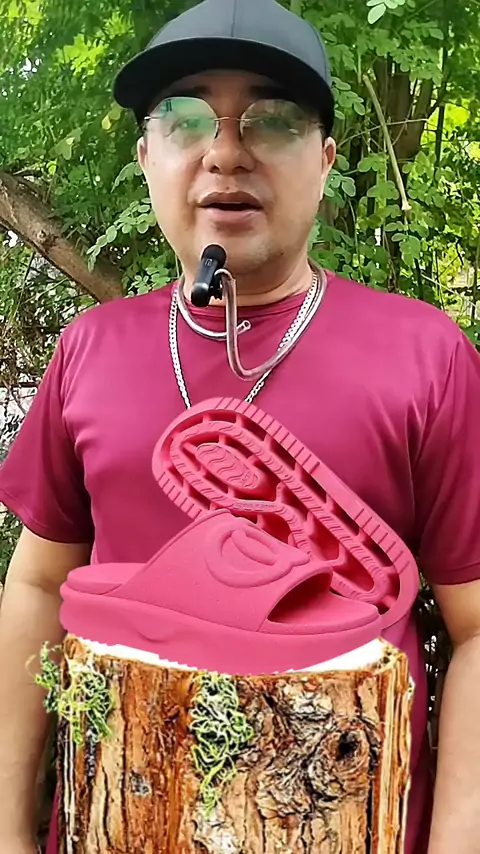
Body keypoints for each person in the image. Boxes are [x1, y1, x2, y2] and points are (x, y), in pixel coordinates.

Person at [1, 0, 480, 851]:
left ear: (326, 159)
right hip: (114, 825)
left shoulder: (427, 354)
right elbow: (38, 587)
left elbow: (477, 627)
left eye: (275, 118)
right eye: (186, 119)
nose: (225, 151)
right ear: (146, 157)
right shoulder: (90, 349)